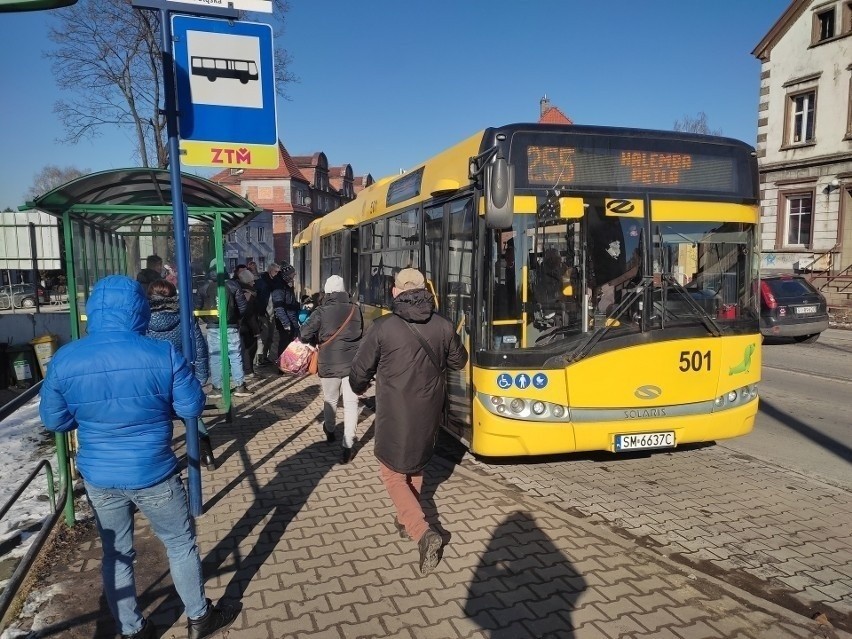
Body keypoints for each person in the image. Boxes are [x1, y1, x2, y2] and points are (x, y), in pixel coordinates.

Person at [38, 275, 238, 639]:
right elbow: (191, 406)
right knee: (179, 543)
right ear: (138, 310)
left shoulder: (66, 357)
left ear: (93, 310)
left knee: (117, 554)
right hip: (153, 472)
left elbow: (55, 419)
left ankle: (132, 630)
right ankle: (199, 618)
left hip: (100, 476)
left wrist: (87, 418)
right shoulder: (161, 353)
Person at [349, 268, 468, 575]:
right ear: (425, 290)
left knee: (391, 473)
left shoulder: (383, 327)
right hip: (429, 410)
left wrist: (357, 387)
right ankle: (405, 520)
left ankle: (422, 532)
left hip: (395, 413)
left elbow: (360, 370)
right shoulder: (442, 324)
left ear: (394, 291)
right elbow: (459, 360)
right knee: (414, 465)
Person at [145, 279, 217, 470]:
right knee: (191, 414)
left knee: (157, 418)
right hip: (181, 373)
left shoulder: (142, 319)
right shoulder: (184, 315)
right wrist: (201, 375)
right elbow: (199, 346)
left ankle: (162, 460)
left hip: (153, 378)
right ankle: (207, 455)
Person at [300, 275, 363, 463]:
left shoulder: (321, 311)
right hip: (353, 363)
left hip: (328, 362)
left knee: (331, 399)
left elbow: (304, 334)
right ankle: (348, 445)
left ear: (327, 291)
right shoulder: (356, 309)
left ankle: (330, 430)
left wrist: (315, 341)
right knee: (352, 404)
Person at [202, 266, 251, 398]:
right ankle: (240, 386)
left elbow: (198, 307)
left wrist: (208, 320)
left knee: (215, 357)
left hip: (212, 327)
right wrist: (236, 319)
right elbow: (242, 306)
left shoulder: (205, 287)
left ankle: (217, 388)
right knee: (235, 356)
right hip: (231, 326)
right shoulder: (233, 285)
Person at [270, 263, 300, 363]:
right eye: (292, 274)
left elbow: (290, 300)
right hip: (285, 319)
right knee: (284, 342)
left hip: (290, 316)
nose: (294, 275)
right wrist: (286, 323)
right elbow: (279, 307)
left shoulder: (286, 283)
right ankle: (282, 365)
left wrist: (297, 305)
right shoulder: (279, 286)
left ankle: (288, 363)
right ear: (287, 274)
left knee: (289, 341)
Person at [254, 262, 281, 366]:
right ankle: (259, 358)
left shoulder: (276, 282)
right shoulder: (262, 282)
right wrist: (260, 311)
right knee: (263, 337)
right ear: (270, 271)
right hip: (263, 313)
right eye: (275, 271)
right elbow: (258, 298)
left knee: (270, 337)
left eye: (278, 272)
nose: (277, 274)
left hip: (272, 313)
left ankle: (264, 357)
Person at [237, 268, 260, 379]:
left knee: (242, 348)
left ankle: (246, 370)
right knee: (250, 348)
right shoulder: (249, 294)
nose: (254, 283)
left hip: (240, 324)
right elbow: (250, 314)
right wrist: (256, 330)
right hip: (247, 326)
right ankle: (248, 371)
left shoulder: (238, 290)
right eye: (252, 281)